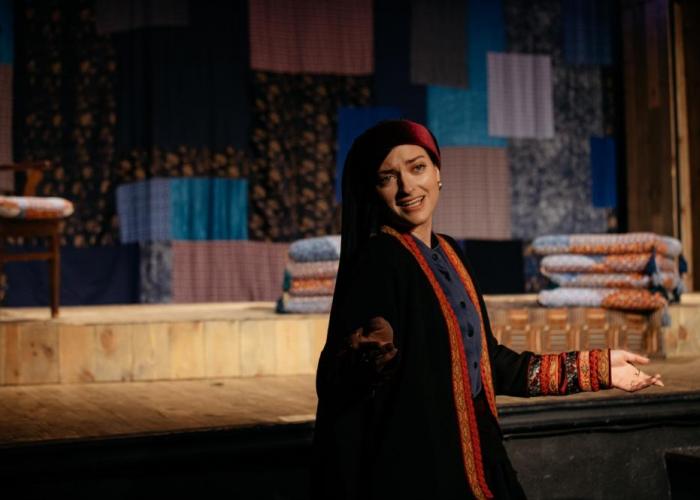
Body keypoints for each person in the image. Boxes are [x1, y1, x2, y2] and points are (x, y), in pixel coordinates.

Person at [311, 120, 663, 500]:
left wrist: (598, 368)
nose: (408, 187)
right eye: (388, 177)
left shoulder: (450, 253)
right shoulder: (379, 260)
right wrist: (367, 359)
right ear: (374, 190)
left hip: (480, 456)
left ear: (437, 172)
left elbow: (488, 364)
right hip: (422, 471)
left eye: (417, 168)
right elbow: (348, 381)